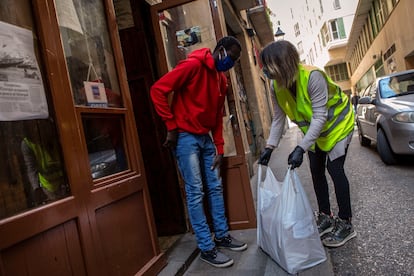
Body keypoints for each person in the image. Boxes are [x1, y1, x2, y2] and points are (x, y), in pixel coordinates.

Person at [150, 36, 247, 267]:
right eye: (231, 58)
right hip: (185, 138)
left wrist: (220, 147)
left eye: (234, 61)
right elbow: (157, 90)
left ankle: (221, 236)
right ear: (220, 50)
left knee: (214, 188)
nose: (230, 64)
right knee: (195, 192)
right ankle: (206, 247)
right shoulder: (193, 66)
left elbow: (216, 117)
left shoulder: (221, 81)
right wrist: (171, 126)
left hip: (205, 140)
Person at [258, 40, 356, 248]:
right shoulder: (277, 86)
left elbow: (320, 116)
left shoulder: (313, 76)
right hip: (315, 134)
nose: (264, 70)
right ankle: (325, 216)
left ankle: (346, 223)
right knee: (315, 170)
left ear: (281, 64)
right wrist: (270, 147)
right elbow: (278, 118)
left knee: (334, 169)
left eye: (267, 65)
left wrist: (300, 148)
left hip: (338, 126)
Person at [21, 119, 67, 205]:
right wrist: (37, 189)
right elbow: (31, 168)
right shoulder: (27, 143)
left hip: (64, 182)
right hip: (47, 188)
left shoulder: (57, 134)